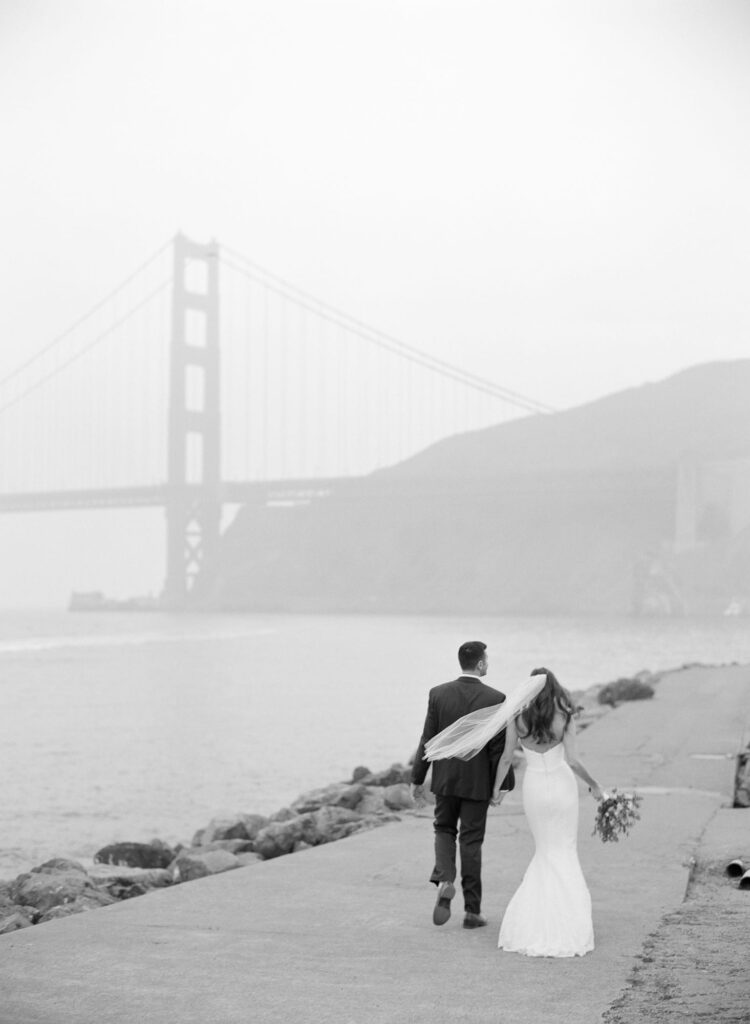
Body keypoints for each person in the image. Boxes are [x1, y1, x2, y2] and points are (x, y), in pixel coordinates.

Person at [491, 667, 603, 957]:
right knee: (564, 848)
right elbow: (575, 761)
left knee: (544, 850)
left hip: (535, 788)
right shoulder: (564, 715)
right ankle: (568, 921)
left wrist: (495, 791)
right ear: (554, 689)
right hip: (562, 786)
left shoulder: (518, 716)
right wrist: (594, 785)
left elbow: (506, 759)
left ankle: (533, 923)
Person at [411, 641, 515, 929]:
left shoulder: (438, 694)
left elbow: (427, 739)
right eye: (487, 661)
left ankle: (445, 878)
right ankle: (472, 911)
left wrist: (417, 778)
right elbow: (498, 748)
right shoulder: (496, 697)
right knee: (471, 842)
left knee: (443, 829)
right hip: (477, 784)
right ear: (480, 664)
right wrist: (502, 785)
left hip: (444, 780)